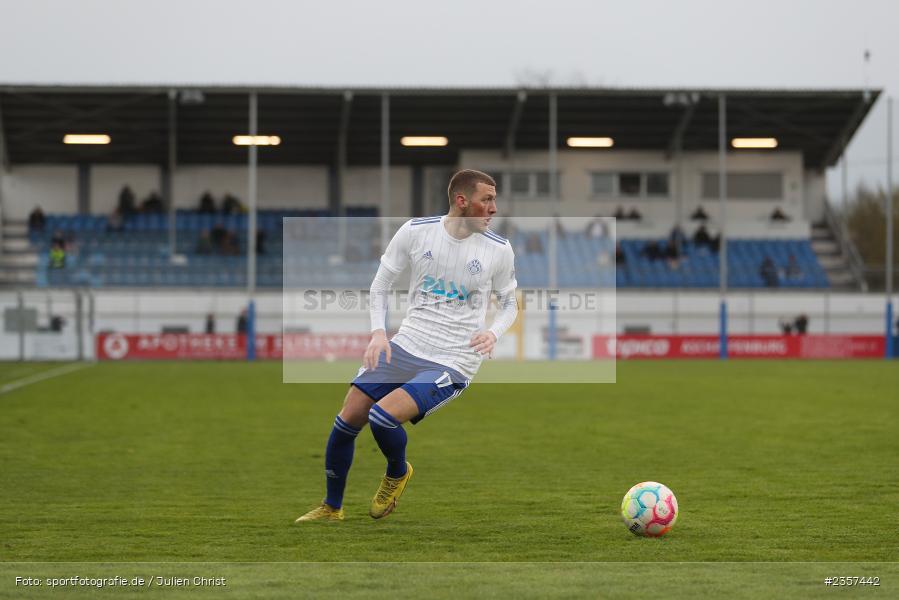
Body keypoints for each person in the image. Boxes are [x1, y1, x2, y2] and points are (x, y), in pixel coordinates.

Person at [295, 169, 518, 523]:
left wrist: (494, 333)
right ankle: (332, 507)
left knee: (382, 417)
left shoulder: (498, 249)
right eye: (487, 199)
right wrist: (379, 333)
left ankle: (397, 472)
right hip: (406, 344)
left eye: (494, 200)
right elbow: (381, 284)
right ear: (462, 201)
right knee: (347, 420)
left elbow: (509, 303)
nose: (493, 208)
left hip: (453, 359)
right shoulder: (416, 231)